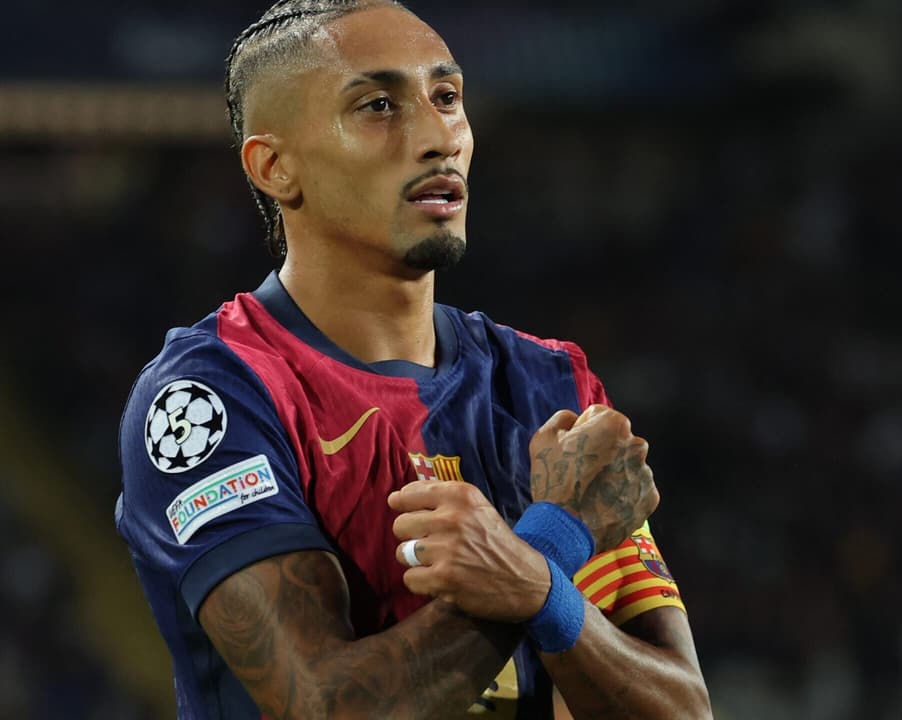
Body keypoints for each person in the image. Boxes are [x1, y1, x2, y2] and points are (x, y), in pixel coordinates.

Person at [113, 0, 712, 717]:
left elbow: (682, 708)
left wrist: (538, 581)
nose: (438, 137)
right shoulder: (213, 395)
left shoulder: (549, 386)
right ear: (275, 166)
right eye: (377, 105)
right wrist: (552, 545)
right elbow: (327, 707)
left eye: (447, 97)